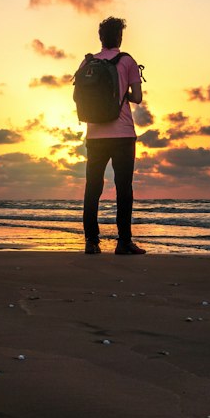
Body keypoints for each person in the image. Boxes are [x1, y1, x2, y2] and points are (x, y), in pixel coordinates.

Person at [81, 15, 145, 255]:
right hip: (122, 134)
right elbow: (137, 98)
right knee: (123, 188)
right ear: (119, 37)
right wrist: (123, 94)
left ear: (100, 38)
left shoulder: (87, 62)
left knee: (93, 187)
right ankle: (123, 242)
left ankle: (91, 241)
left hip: (95, 134)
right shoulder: (127, 61)